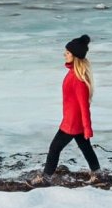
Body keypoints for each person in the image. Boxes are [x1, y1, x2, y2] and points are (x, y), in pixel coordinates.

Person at [32, 34, 100, 185]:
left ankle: (45, 178)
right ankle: (97, 173)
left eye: (68, 53)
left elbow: (84, 107)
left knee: (54, 149)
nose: (64, 54)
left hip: (71, 124)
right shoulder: (72, 74)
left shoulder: (78, 80)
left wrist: (87, 128)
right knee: (86, 149)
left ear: (75, 56)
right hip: (73, 121)